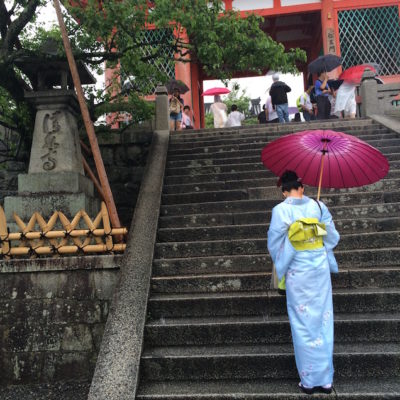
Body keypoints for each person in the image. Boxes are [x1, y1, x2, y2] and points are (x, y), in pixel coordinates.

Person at [267, 170, 340, 395]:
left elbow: (274, 243)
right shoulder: (319, 207)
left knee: (302, 324)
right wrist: (313, 227)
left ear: (283, 191)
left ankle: (308, 382)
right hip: (319, 270)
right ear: (302, 188)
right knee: (323, 321)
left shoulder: (280, 210)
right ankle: (326, 381)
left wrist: (296, 234)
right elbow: (332, 237)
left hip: (298, 272)